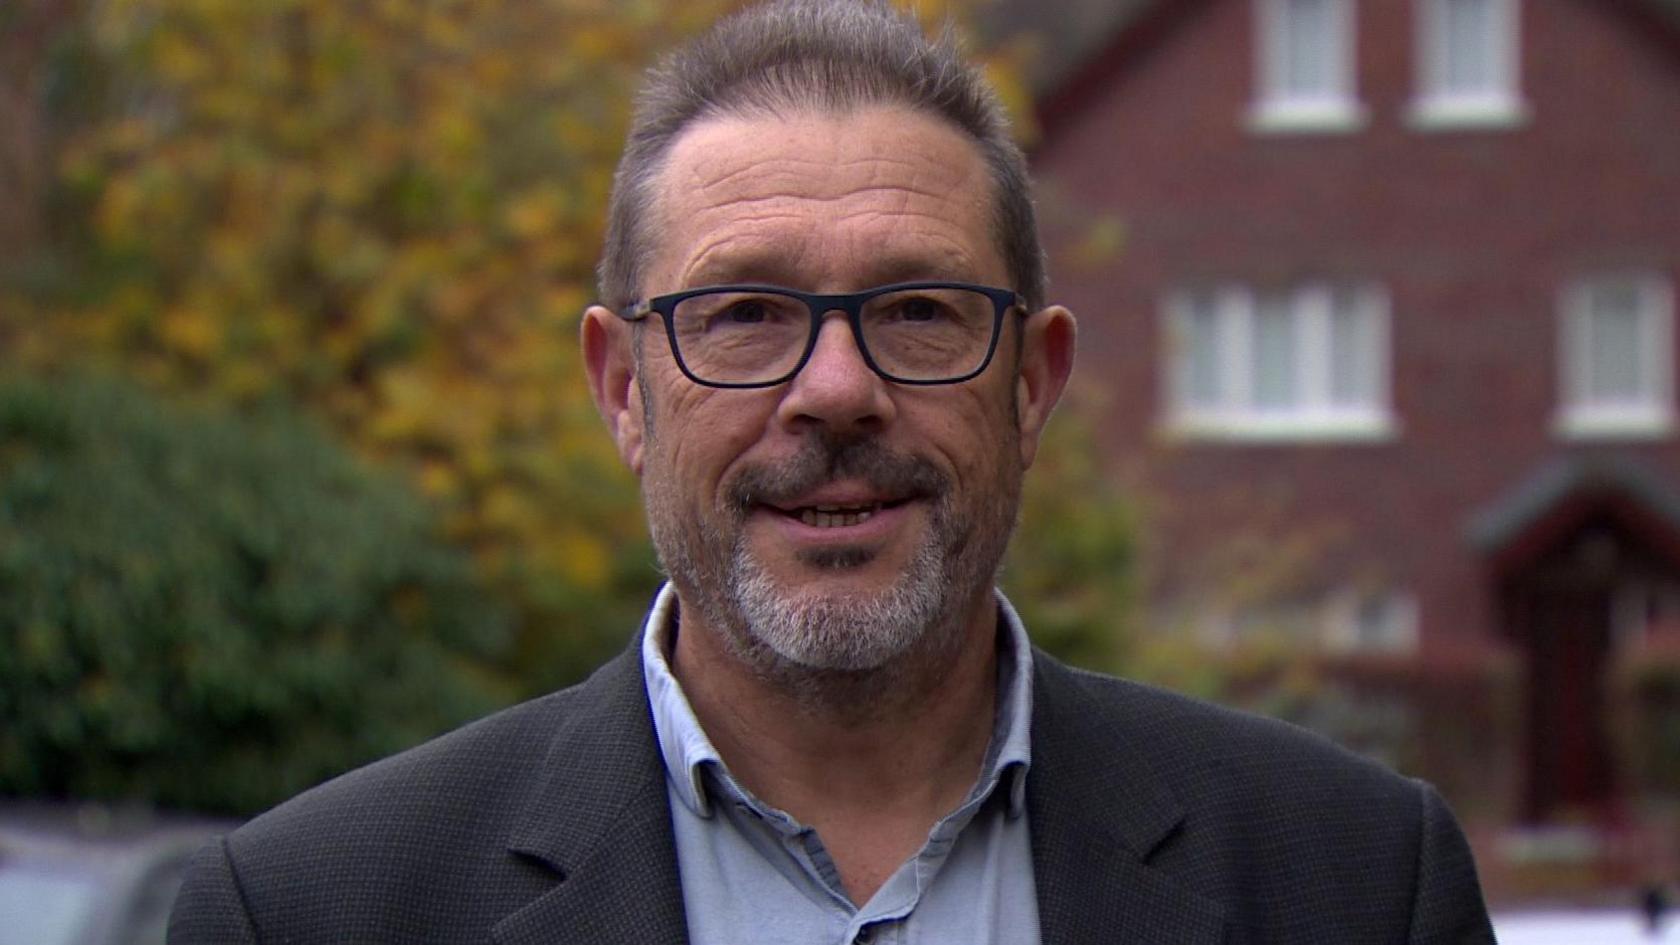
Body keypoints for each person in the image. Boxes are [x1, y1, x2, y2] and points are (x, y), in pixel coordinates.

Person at [167, 1, 1497, 942]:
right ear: (625, 390)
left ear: (1031, 383)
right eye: (743, 313)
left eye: (918, 309)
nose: (838, 390)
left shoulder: (1355, 883)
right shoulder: (317, 911)